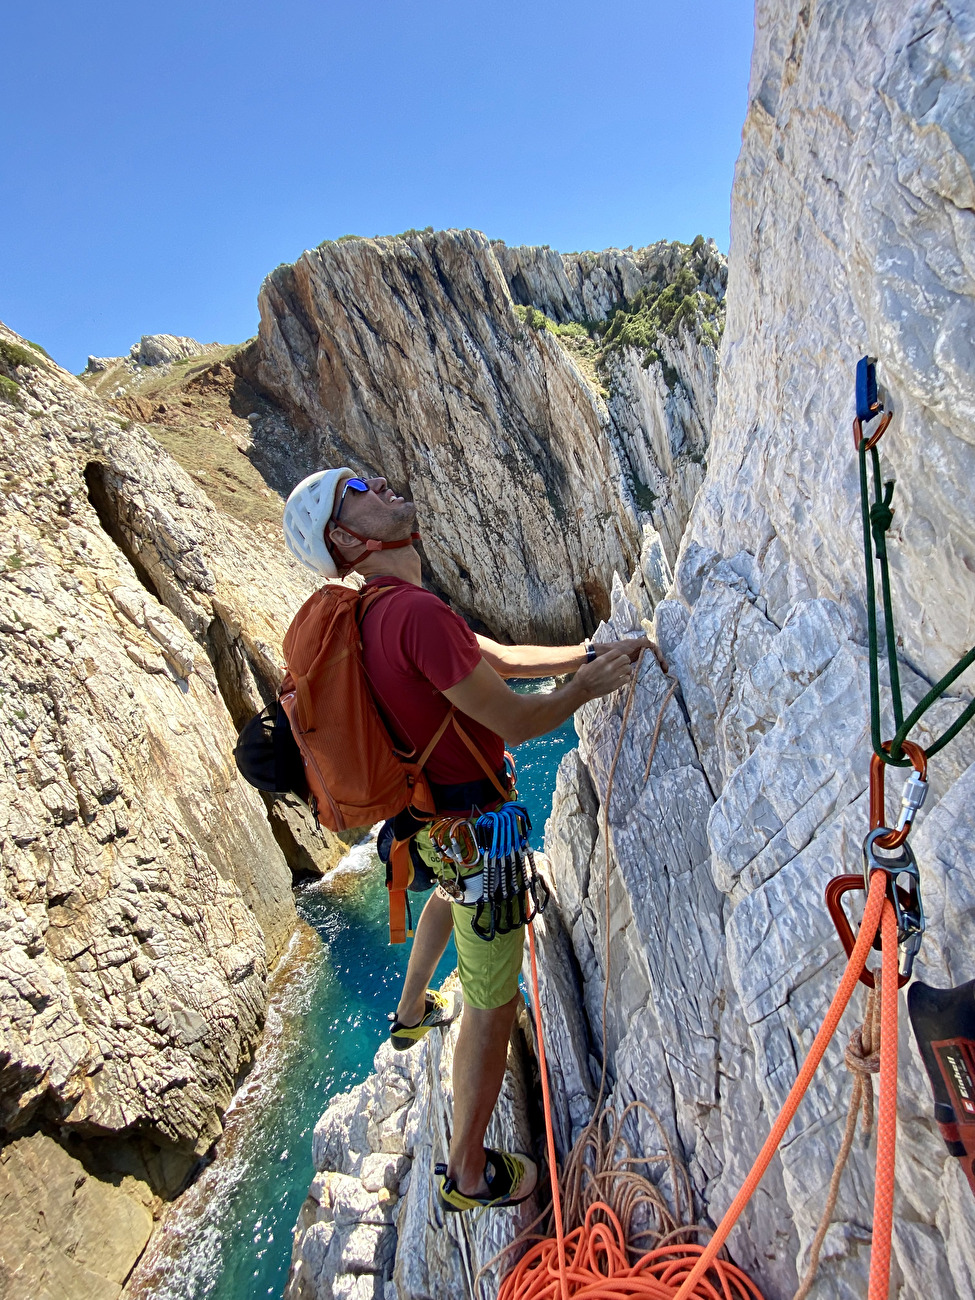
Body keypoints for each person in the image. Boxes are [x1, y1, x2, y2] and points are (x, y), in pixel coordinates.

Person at [283, 467, 647, 1212]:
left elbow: (501, 660)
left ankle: (411, 1011)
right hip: (477, 836)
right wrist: (587, 689)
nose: (378, 481)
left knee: (444, 902)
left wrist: (583, 655)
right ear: (346, 538)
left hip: (426, 829)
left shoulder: (383, 611)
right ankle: (467, 1174)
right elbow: (512, 720)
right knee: (489, 1001)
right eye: (355, 489)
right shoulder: (414, 615)